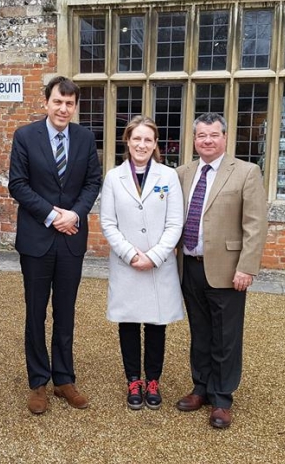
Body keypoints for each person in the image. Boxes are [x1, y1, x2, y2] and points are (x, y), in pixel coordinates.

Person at [8, 76, 102, 414]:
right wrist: (51, 215)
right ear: (46, 102)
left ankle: (64, 379)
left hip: (71, 239)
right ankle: (38, 383)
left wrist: (74, 215)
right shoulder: (25, 137)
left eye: (69, 103)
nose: (64, 108)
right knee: (36, 313)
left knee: (65, 312)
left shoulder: (85, 138)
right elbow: (17, 184)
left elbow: (93, 182)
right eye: (58, 101)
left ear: (75, 107)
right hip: (37, 239)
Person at [175, 111, 268, 429]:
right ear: (194, 139)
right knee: (200, 333)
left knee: (226, 336)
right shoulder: (183, 173)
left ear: (224, 137)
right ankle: (200, 387)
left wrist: (247, 267)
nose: (207, 140)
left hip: (228, 270)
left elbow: (255, 224)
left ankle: (222, 398)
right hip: (189, 266)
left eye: (213, 135)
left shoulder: (246, 172)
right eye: (201, 135)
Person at [99, 116, 184, 410]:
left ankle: (153, 381)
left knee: (157, 323)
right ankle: (133, 380)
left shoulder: (168, 176)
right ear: (127, 140)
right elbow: (108, 223)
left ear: (155, 144)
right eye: (137, 138)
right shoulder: (113, 177)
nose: (142, 144)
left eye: (148, 139)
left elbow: (175, 223)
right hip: (127, 264)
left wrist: (155, 255)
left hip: (158, 264)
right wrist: (131, 254)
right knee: (129, 322)